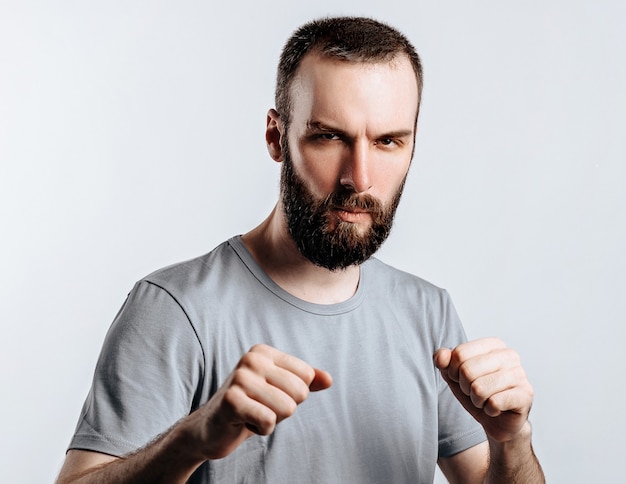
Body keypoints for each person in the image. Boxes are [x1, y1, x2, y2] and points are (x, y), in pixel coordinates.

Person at [57, 16, 545, 484]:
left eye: (388, 141)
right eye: (329, 137)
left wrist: (512, 441)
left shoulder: (427, 312)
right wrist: (192, 441)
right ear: (277, 136)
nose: (360, 177)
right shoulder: (176, 308)